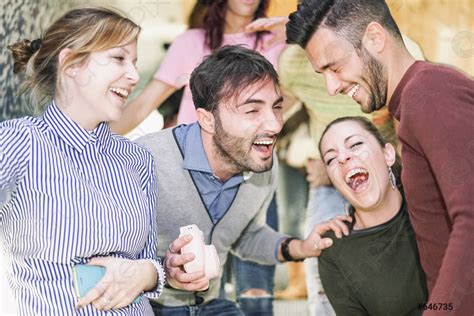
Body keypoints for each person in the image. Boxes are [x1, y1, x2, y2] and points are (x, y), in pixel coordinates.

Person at [286, 0, 474, 314]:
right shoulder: (413, 104)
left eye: (334, 67)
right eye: (323, 74)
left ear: (375, 37)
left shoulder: (430, 92)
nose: (331, 87)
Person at [135, 45, 336, 316]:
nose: (275, 125)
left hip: (210, 306)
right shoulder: (145, 160)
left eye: (276, 108)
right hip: (147, 306)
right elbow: (105, 257)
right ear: (207, 120)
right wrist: (162, 268)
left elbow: (245, 235)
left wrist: (299, 247)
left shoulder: (262, 162)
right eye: (252, 111)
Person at [246, 11, 425, 315]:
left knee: (408, 259)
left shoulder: (393, 50)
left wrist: (377, 162)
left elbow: (411, 133)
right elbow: (280, 108)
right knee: (323, 265)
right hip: (329, 177)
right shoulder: (291, 63)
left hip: (389, 170)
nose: (331, 85)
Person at [1, 7, 165, 315]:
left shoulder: (137, 159)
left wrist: (147, 274)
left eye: (134, 62)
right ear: (71, 63)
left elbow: (149, 258)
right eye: (119, 58)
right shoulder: (16, 144)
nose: (133, 74)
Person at [110, 0, 286, 134]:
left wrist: (293, 30)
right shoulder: (190, 42)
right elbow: (143, 105)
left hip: (252, 165)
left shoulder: (276, 43)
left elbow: (290, 103)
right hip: (192, 164)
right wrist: (91, 141)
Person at [317, 116, 427, 315]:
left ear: (388, 154)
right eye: (331, 159)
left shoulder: (431, 207)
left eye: (355, 144)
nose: (343, 158)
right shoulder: (334, 250)